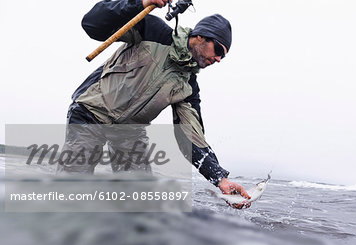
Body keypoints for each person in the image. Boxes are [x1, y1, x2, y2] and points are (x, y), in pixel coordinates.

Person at [59, 0, 251, 208]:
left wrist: (220, 179)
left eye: (224, 55)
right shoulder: (151, 30)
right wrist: (140, 4)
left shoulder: (188, 86)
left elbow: (190, 137)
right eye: (219, 50)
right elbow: (93, 24)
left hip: (129, 131)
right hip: (91, 114)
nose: (219, 59)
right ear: (201, 36)